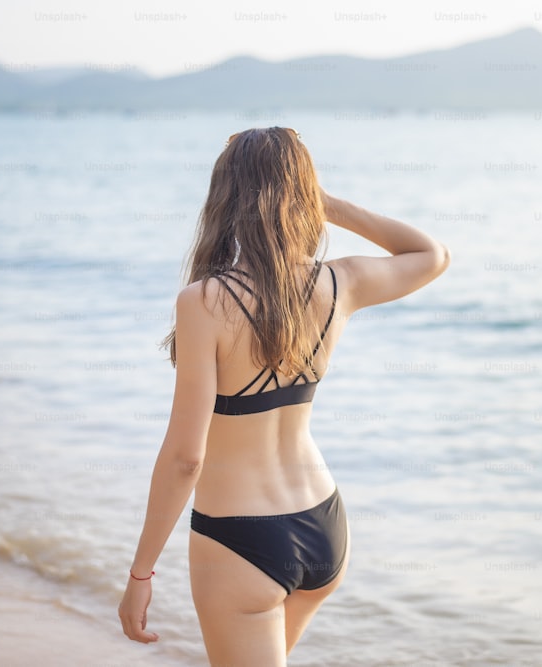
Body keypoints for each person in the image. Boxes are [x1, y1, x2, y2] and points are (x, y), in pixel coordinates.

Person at [118, 126, 450, 665]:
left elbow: (185, 458)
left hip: (240, 541)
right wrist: (330, 206)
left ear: (225, 198)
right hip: (323, 522)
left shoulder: (204, 301)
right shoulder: (341, 283)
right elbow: (431, 254)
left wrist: (140, 574)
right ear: (302, 195)